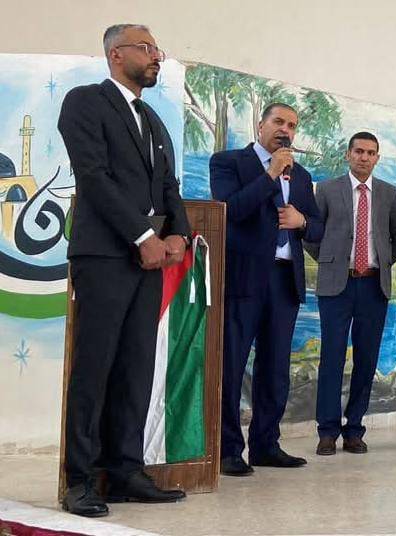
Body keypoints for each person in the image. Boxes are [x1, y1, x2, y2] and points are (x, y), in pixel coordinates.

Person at [59, 23, 190, 516]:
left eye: (158, 49)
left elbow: (169, 186)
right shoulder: (84, 102)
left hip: (151, 259)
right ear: (116, 54)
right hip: (105, 256)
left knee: (137, 366)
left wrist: (177, 234)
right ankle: (80, 480)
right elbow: (93, 177)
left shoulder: (152, 119)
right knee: (94, 368)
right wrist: (142, 237)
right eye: (147, 48)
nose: (157, 56)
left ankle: (125, 471)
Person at [210, 102, 323, 476]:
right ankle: (228, 450)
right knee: (232, 365)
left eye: (292, 125)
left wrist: (302, 220)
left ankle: (266, 444)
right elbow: (229, 209)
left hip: (284, 279)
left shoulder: (302, 176)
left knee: (275, 369)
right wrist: (271, 173)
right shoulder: (228, 162)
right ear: (260, 125)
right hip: (243, 278)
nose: (285, 130)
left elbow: (318, 228)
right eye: (278, 122)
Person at [304, 132, 396, 455]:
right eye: (359, 151)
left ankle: (354, 429)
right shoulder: (327, 189)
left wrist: (381, 264)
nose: (364, 157)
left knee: (366, 359)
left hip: (374, 286)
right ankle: (327, 431)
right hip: (336, 286)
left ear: (377, 158)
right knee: (331, 358)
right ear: (348, 154)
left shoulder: (389, 193)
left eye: (370, 152)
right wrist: (330, 261)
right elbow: (311, 235)